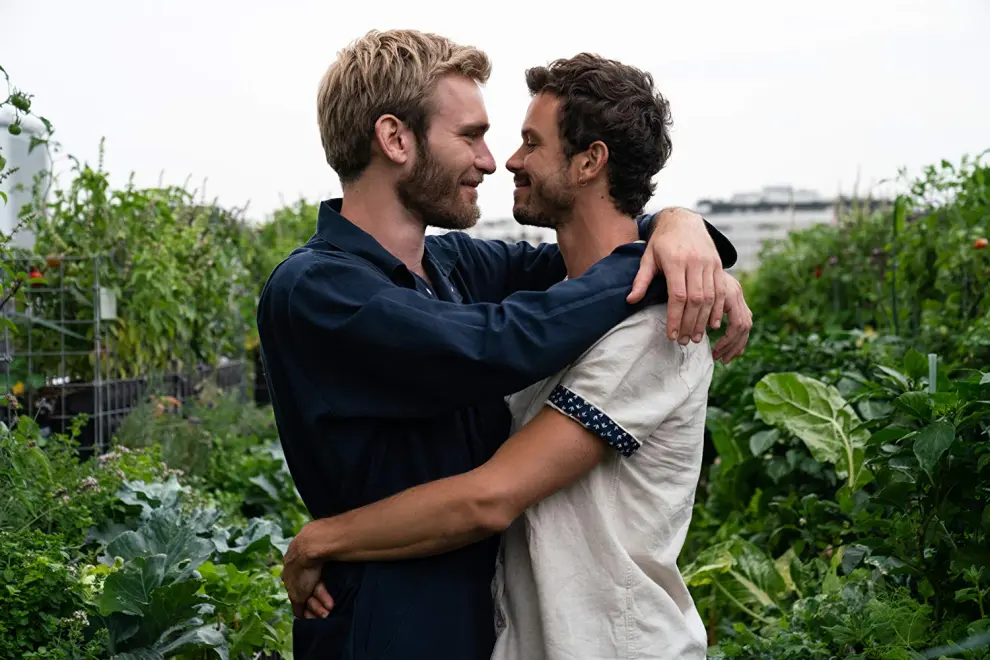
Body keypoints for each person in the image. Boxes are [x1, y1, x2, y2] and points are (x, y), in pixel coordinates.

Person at [258, 29, 749, 660]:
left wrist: (681, 231)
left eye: (517, 141)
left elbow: (586, 259)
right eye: (470, 135)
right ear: (395, 139)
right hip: (386, 626)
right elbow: (496, 344)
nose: (493, 161)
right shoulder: (318, 289)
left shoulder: (453, 265)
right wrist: (660, 259)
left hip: (486, 625)